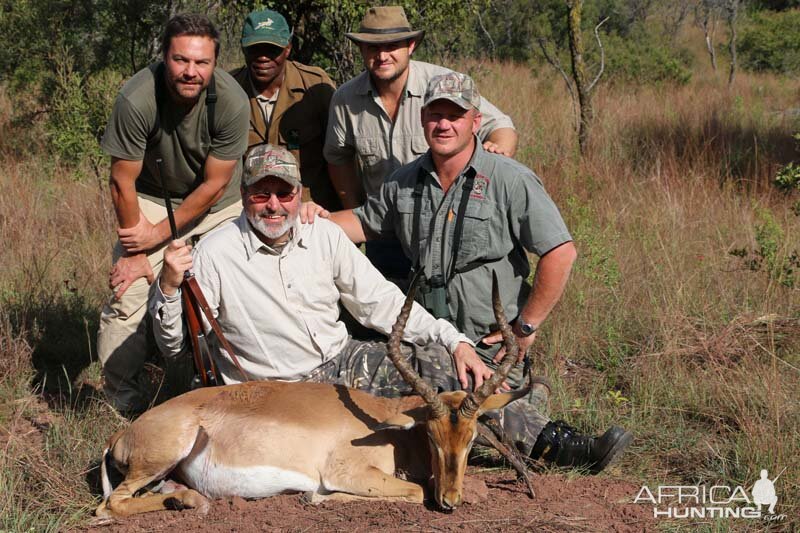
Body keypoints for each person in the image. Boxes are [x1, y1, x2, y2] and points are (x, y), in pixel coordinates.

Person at [151, 144, 628, 473]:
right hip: (277, 388)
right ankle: (485, 448)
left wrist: (452, 338)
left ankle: (556, 444)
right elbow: (174, 347)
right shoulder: (214, 253)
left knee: (442, 368)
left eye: (285, 192)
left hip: (340, 361)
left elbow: (380, 302)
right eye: (261, 193)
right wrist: (169, 287)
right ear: (245, 195)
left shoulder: (321, 234)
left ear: (300, 194)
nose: (274, 205)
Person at [318, 72, 632, 469]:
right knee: (384, 398)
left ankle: (567, 447)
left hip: (490, 347)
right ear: (423, 119)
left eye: (455, 115)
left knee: (467, 418)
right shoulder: (403, 183)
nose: (443, 124)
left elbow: (561, 253)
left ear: (476, 121)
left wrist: (525, 329)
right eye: (435, 115)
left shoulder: (509, 179)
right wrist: (310, 217)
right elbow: (363, 222)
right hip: (433, 343)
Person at [97, 13, 250, 415]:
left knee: (229, 291)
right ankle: (122, 404)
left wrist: (158, 235)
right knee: (126, 294)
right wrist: (136, 249)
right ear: (164, 56)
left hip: (216, 205)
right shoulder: (136, 98)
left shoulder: (232, 100)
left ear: (215, 62)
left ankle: (229, 389)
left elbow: (215, 184)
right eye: (181, 60)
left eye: (202, 63)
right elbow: (121, 182)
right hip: (149, 195)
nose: (190, 72)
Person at [323, 5, 518, 280]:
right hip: (384, 230)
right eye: (371, 47)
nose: (382, 56)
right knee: (390, 314)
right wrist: (357, 213)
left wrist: (498, 151)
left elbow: (500, 125)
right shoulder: (345, 99)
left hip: (441, 226)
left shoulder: (440, 85)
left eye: (392, 45)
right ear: (361, 50)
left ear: (410, 45)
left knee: (446, 311)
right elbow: (338, 156)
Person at [229, 8, 340, 211]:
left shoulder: (314, 86)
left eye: (272, 50)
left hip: (310, 208)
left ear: (287, 48)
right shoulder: (228, 90)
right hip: (251, 209)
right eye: (255, 49)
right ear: (244, 50)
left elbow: (340, 156)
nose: (263, 57)